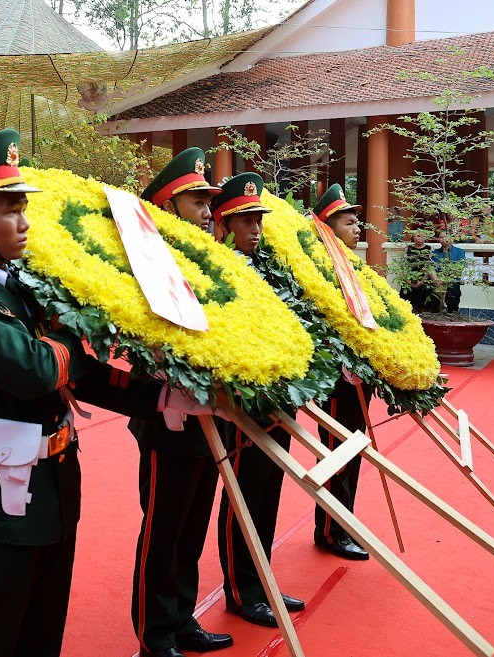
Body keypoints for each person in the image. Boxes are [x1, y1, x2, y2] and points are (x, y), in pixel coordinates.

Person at [0, 129, 212, 657]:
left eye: (22, 208)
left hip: (56, 482)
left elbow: (80, 375)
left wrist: (162, 399)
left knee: (44, 630)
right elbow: (35, 369)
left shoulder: (24, 286)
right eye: (10, 210)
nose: (25, 222)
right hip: (4, 489)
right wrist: (75, 329)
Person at [129, 148, 232, 657]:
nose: (208, 211)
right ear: (168, 206)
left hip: (211, 410)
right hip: (168, 417)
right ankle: (155, 632)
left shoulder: (208, 260)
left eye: (208, 201)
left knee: (192, 525)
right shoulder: (146, 263)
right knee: (164, 529)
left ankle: (182, 618)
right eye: (197, 201)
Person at [211, 173, 305, 628]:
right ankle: (241, 590)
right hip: (244, 402)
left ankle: (262, 580)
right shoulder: (218, 268)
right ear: (224, 225)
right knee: (246, 496)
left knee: (269, 493)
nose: (255, 229)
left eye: (258, 220)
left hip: (279, 397)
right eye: (245, 220)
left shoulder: (270, 266)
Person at [310, 184, 371, 561]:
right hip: (336, 379)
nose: (358, 228)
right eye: (350, 222)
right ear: (329, 228)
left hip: (357, 380)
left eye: (357, 221)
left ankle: (342, 524)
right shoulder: (320, 269)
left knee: (353, 453)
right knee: (336, 455)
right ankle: (331, 530)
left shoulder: (350, 265)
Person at [430, 230, 466, 313]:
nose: (444, 239)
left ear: (452, 239)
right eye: (441, 237)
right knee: (434, 306)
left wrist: (444, 281)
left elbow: (458, 269)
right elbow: (431, 268)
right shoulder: (434, 253)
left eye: (446, 237)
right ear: (438, 239)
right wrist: (437, 281)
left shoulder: (459, 252)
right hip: (437, 283)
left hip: (452, 282)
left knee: (453, 304)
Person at [400, 229, 433, 313]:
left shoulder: (429, 249)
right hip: (409, 278)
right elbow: (403, 265)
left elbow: (429, 266)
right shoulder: (408, 249)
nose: (419, 238)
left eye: (422, 236)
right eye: (418, 236)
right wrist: (408, 280)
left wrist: (422, 281)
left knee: (423, 304)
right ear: (413, 237)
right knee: (408, 305)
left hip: (424, 279)